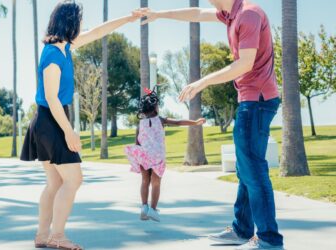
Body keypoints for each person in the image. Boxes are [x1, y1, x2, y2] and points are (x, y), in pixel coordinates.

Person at [136, 0, 284, 249]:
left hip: (257, 100)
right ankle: (242, 229)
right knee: (245, 169)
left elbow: (244, 64)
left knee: (254, 171)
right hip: (251, 100)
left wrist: (201, 82)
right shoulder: (231, 14)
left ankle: (269, 239)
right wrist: (159, 14)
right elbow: (195, 13)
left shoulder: (248, 14)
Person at [20, 1, 142, 249]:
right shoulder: (53, 53)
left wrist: (128, 19)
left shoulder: (65, 47)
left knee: (55, 183)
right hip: (51, 120)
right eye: (80, 21)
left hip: (48, 119)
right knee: (74, 180)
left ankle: (43, 235)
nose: (83, 26)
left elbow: (98, 32)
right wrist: (68, 131)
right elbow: (52, 97)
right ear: (71, 22)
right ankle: (57, 236)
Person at [125, 87, 206, 222]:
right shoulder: (161, 120)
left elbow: (137, 141)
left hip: (144, 155)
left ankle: (144, 207)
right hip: (157, 157)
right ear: (155, 107)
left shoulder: (140, 124)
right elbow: (179, 122)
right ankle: (153, 209)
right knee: (156, 183)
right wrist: (196, 122)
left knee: (145, 181)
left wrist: (138, 157)